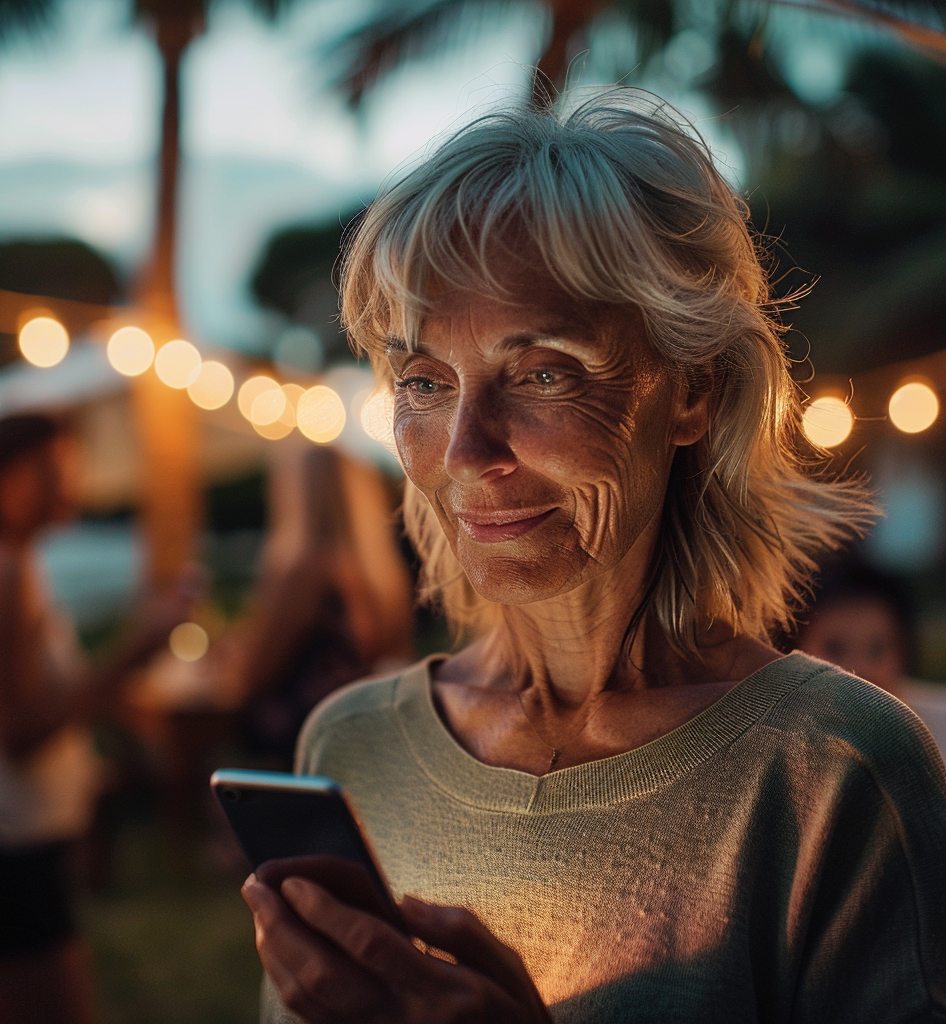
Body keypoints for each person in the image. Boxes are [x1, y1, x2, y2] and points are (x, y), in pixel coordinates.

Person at [240, 90, 946, 1023]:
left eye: (541, 372)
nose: (464, 452)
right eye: (423, 380)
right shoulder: (350, 746)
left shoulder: (832, 772)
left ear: (691, 391)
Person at [0, 413, 196, 1024]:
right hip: (0, 848)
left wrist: (117, 704)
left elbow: (33, 694)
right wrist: (135, 650)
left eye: (69, 469)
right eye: (46, 471)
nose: (65, 486)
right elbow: (15, 733)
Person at [238, 441, 414, 769]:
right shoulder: (381, 576)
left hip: (296, 745)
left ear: (297, 494)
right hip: (358, 737)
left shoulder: (304, 572)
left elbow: (254, 673)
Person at [794, 557, 946, 757]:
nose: (858, 669)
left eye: (877, 649)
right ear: (795, 650)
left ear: (904, 652)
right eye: (835, 648)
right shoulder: (778, 743)